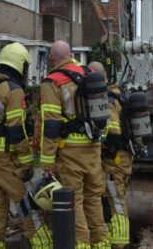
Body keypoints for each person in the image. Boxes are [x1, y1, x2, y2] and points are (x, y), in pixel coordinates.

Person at [0, 42, 51, 248]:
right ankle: (43, 245)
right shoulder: (13, 89)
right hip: (6, 156)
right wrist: (27, 162)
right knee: (26, 202)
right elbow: (16, 129)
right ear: (20, 65)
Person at [39, 41, 109, 249]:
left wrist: (47, 161)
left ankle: (81, 244)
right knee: (94, 198)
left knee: (74, 200)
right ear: (71, 54)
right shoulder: (90, 75)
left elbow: (51, 124)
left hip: (70, 150)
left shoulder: (53, 82)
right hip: (93, 147)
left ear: (51, 58)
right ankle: (101, 243)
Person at [90, 61, 133, 248]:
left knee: (115, 199)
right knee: (114, 197)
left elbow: (113, 132)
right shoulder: (117, 92)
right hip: (121, 157)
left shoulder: (106, 98)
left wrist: (96, 142)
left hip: (114, 158)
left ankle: (121, 243)